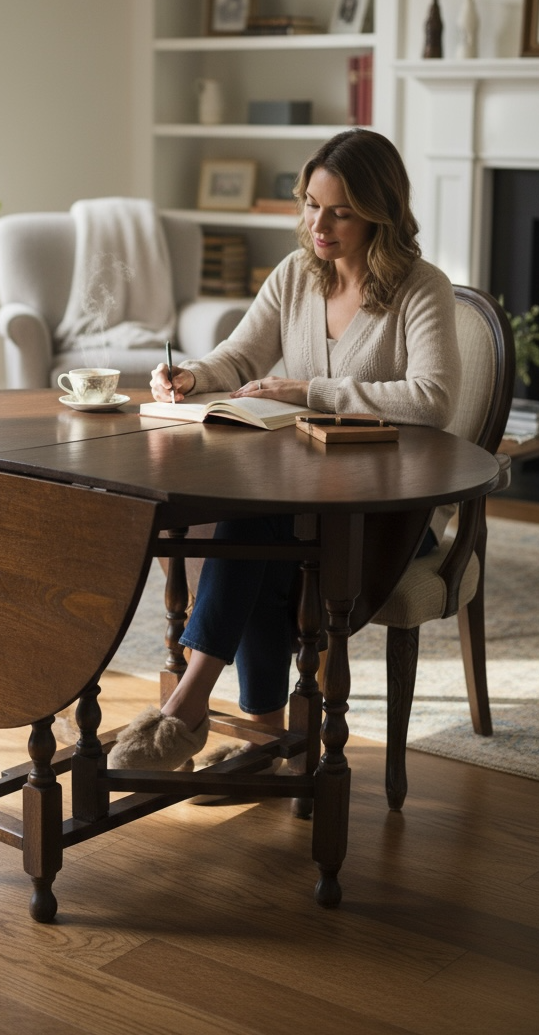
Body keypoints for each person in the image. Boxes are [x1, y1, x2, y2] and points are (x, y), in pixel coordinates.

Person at [109, 128, 462, 771]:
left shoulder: (422, 287)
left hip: (389, 510)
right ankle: (265, 738)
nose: (318, 224)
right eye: (310, 204)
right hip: (302, 494)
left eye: (340, 211)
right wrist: (191, 375)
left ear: (380, 212)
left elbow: (432, 399)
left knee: (253, 523)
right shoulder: (298, 273)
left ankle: (190, 710)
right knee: (259, 532)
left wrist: (310, 389)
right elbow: (241, 355)